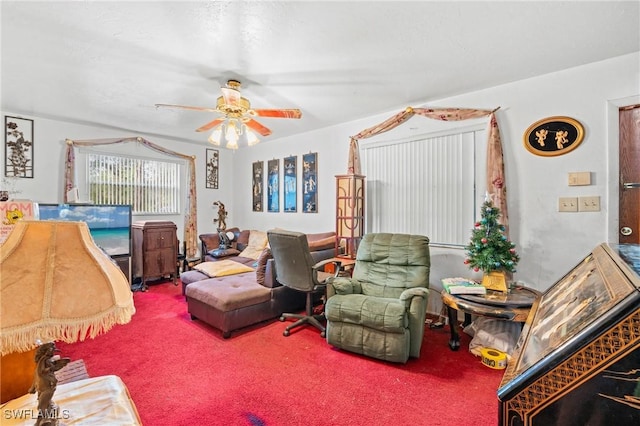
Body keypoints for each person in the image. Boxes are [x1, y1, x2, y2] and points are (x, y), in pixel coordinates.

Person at [28, 342, 70, 425]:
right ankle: (45, 420)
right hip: (43, 387)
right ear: (46, 351)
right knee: (44, 405)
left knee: (42, 406)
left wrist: (52, 368)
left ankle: (46, 421)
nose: (53, 351)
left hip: (48, 387)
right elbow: (39, 373)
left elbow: (43, 373)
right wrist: (33, 387)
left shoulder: (46, 360)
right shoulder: (43, 360)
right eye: (51, 349)